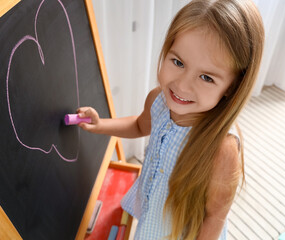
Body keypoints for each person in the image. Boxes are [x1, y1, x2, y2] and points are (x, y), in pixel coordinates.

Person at [77, 0, 264, 239]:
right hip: (151, 206)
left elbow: (214, 217)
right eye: (178, 62)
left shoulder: (223, 149)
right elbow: (138, 125)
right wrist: (101, 125)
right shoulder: (158, 100)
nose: (182, 86)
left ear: (232, 87)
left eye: (206, 77)